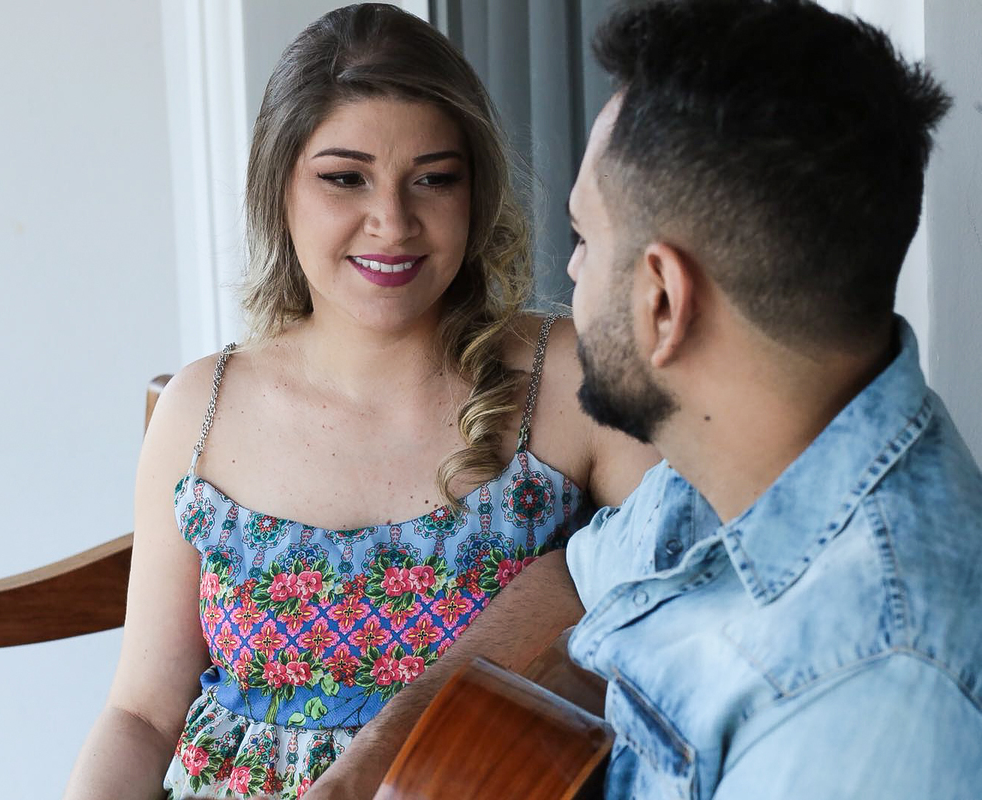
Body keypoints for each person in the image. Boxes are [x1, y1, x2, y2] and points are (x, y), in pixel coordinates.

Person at [63, 4, 656, 799]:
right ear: (279, 188)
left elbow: (684, 620)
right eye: (345, 178)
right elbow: (140, 713)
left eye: (434, 179)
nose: (393, 223)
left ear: (475, 191)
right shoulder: (202, 411)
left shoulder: (578, 381)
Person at [561, 0, 982, 798]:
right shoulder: (729, 467)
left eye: (584, 240)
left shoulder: (876, 700)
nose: (571, 270)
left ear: (663, 300)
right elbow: (579, 575)